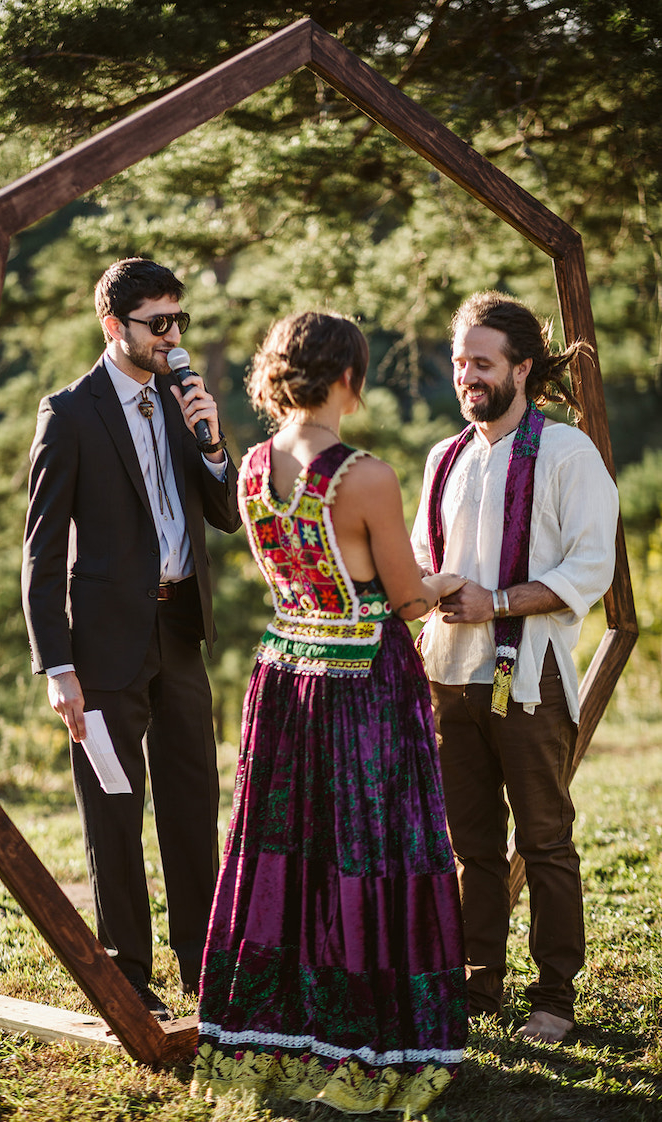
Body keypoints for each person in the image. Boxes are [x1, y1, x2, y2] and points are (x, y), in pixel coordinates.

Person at [190, 312, 468, 1113]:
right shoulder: (365, 475)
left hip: (284, 676)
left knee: (289, 850)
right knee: (370, 848)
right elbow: (409, 596)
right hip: (359, 681)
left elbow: (292, 579)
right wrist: (448, 583)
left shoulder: (248, 469)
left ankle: (276, 1027)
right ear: (348, 376)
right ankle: (374, 1034)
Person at [21, 258, 240, 1013]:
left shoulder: (183, 402)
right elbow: (41, 554)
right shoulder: (70, 413)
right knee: (112, 808)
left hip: (180, 631)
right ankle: (129, 978)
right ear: (114, 326)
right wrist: (58, 665)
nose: (173, 338)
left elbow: (226, 514)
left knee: (191, 802)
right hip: (104, 648)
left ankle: (204, 963)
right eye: (158, 324)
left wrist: (211, 443)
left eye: (179, 321)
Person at [412, 292, 618, 1045]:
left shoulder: (567, 453)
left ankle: (555, 997)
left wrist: (494, 600)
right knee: (469, 842)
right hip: (448, 678)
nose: (467, 375)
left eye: (482, 363)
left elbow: (590, 568)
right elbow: (426, 565)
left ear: (522, 368)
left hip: (526, 679)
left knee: (544, 840)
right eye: (461, 360)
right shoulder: (443, 457)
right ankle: (478, 981)